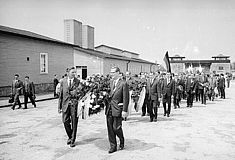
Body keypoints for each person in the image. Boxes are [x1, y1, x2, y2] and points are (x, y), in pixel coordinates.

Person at [105, 66, 129, 154]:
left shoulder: (123, 83)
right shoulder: (110, 83)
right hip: (109, 108)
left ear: (118, 73)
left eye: (113, 72)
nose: (111, 74)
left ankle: (121, 139)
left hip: (118, 108)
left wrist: (125, 110)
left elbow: (126, 98)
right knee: (110, 129)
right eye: (111, 72)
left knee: (116, 128)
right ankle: (113, 146)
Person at [58, 67, 81, 147]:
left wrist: (76, 92)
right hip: (65, 105)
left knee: (74, 122)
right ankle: (70, 136)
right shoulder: (63, 81)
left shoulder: (77, 81)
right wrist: (59, 106)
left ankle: (72, 140)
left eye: (75, 72)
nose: (74, 74)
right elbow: (61, 94)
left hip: (74, 105)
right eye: (72, 72)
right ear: (67, 72)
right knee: (65, 121)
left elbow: (80, 93)